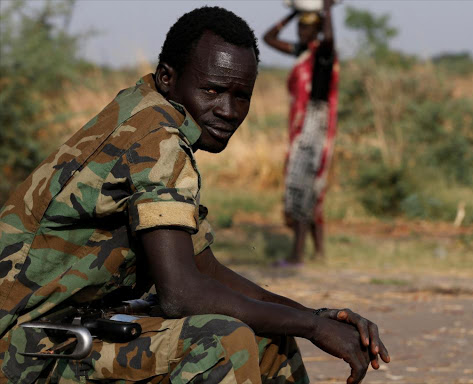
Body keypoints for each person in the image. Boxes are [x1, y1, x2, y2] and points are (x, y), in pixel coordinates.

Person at [0, 6, 389, 384]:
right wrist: (311, 326)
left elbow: (205, 269)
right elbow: (182, 294)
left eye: (241, 96)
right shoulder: (157, 141)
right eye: (213, 90)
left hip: (57, 335)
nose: (228, 110)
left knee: (269, 335)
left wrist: (317, 318)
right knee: (221, 341)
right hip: (20, 349)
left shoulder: (147, 109)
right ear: (168, 77)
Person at [263, 0, 339, 265]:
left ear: (316, 30)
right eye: (298, 28)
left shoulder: (324, 53)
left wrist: (326, 10)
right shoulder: (301, 52)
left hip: (314, 127)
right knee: (307, 187)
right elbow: (268, 37)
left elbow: (329, 37)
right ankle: (318, 254)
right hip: (302, 127)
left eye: (305, 28)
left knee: (303, 186)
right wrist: (296, 10)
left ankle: (297, 256)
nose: (299, 33)